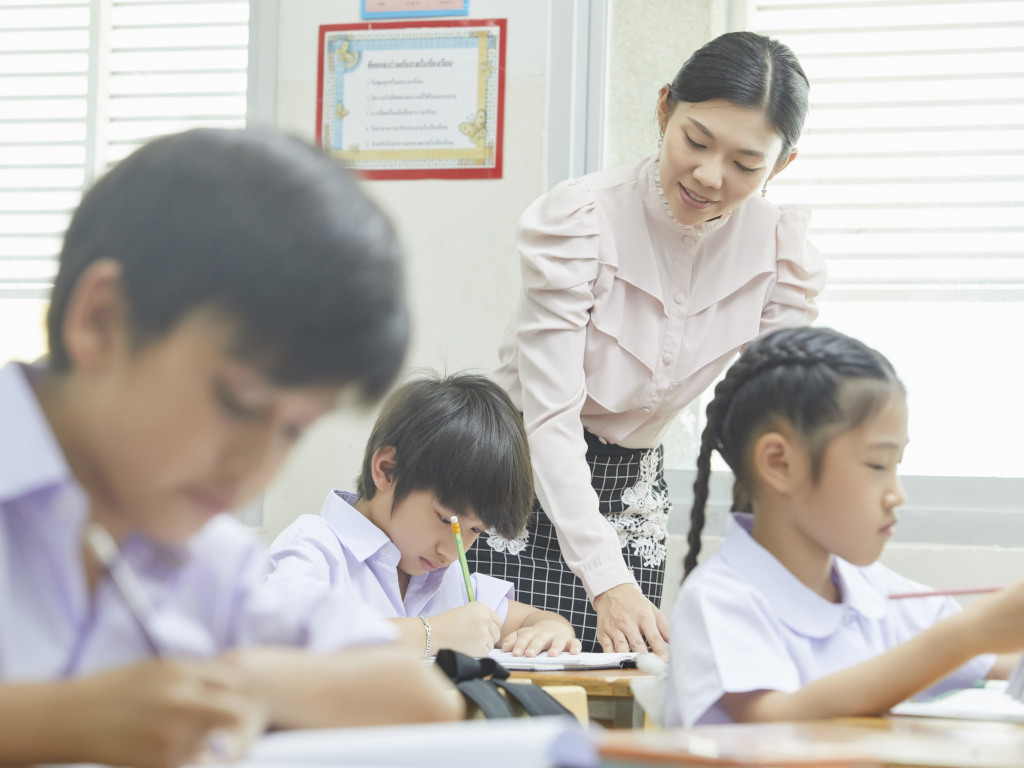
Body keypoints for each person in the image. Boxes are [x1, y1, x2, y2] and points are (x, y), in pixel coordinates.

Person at [0, 128, 463, 768]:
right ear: (102, 322)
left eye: (293, 430)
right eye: (237, 403)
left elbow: (423, 699)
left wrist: (246, 685)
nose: (255, 466)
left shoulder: (200, 551)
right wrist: (62, 722)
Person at [470, 31, 826, 655]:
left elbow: (781, 423)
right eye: (695, 140)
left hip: (634, 487)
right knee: (509, 686)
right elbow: (548, 416)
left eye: (747, 165)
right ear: (664, 110)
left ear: (782, 164)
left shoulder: (779, 253)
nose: (710, 177)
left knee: (622, 692)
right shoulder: (582, 220)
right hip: (517, 470)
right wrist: (607, 582)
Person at [664, 325, 1024, 727]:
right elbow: (771, 723)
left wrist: (988, 631)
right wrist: (967, 634)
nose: (897, 494)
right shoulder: (719, 600)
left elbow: (1001, 661)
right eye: (877, 465)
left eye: (896, 466)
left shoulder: (877, 590)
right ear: (780, 464)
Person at [264, 372, 582, 659]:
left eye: (476, 530)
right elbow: (282, 635)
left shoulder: (446, 577)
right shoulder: (316, 545)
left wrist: (553, 628)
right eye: (446, 520)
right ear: (388, 471)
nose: (451, 550)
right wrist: (432, 633)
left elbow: (530, 620)